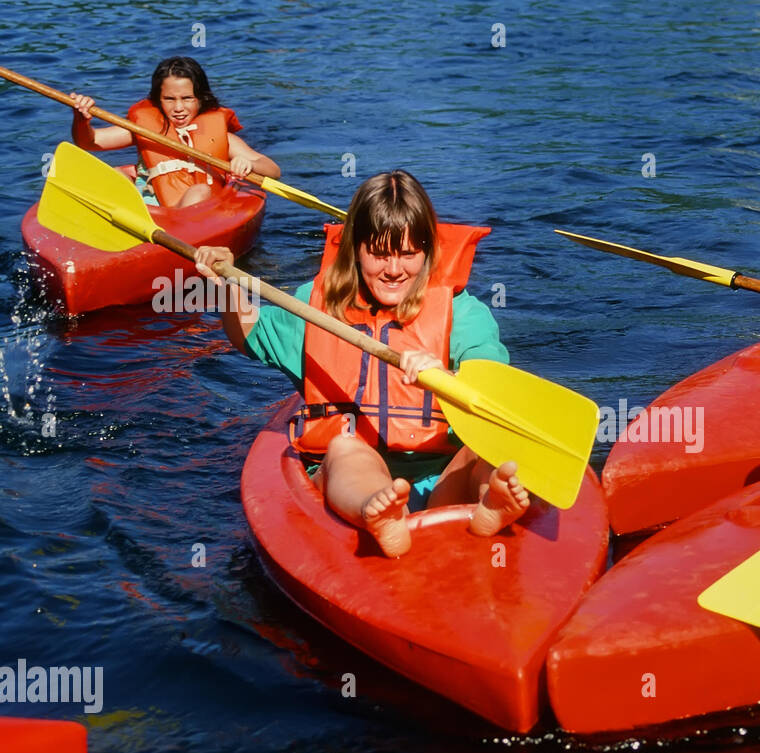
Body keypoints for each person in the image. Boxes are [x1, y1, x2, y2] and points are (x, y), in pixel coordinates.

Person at [195, 170, 529, 557]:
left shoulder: (462, 312)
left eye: (408, 254)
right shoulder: (315, 305)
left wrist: (446, 377)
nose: (393, 269)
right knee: (345, 448)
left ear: (427, 252)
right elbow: (250, 335)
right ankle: (381, 512)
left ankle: (490, 503)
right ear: (355, 249)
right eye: (379, 253)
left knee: (485, 451)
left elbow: (490, 382)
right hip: (358, 479)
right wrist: (226, 285)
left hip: (444, 479)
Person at [69, 56, 280, 208]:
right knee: (113, 174)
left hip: (192, 214)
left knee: (200, 191)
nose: (178, 108)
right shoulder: (144, 129)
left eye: (187, 98)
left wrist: (248, 164)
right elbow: (91, 142)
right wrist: (82, 119)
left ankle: (173, 240)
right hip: (147, 206)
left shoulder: (223, 137)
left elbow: (272, 170)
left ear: (201, 98)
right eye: (169, 99)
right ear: (158, 101)